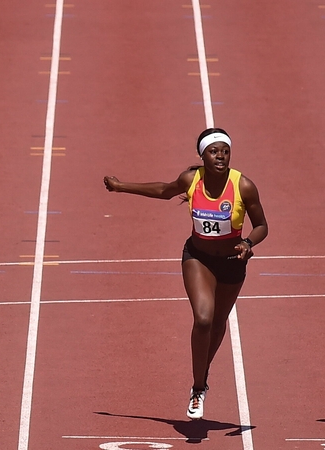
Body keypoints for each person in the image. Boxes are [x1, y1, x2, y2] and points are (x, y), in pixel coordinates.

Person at [103, 128, 268, 420]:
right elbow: (164, 191)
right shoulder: (190, 180)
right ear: (202, 155)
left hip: (232, 262)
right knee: (203, 318)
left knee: (218, 323)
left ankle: (202, 377)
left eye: (225, 151)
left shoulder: (244, 186)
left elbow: (262, 226)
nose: (221, 156)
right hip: (198, 257)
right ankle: (198, 387)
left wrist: (248, 243)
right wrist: (121, 187)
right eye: (214, 151)